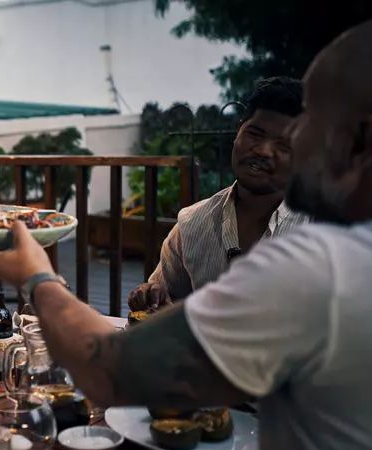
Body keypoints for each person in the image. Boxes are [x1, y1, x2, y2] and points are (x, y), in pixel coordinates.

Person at [0, 18, 372, 450]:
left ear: (363, 142)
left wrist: (37, 275)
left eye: (311, 121)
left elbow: (111, 372)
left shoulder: (323, 267)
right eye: (261, 131)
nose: (290, 140)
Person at [129, 77, 308, 312]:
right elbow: (163, 303)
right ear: (238, 131)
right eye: (255, 134)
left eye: (284, 145)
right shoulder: (191, 225)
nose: (263, 151)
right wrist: (151, 298)